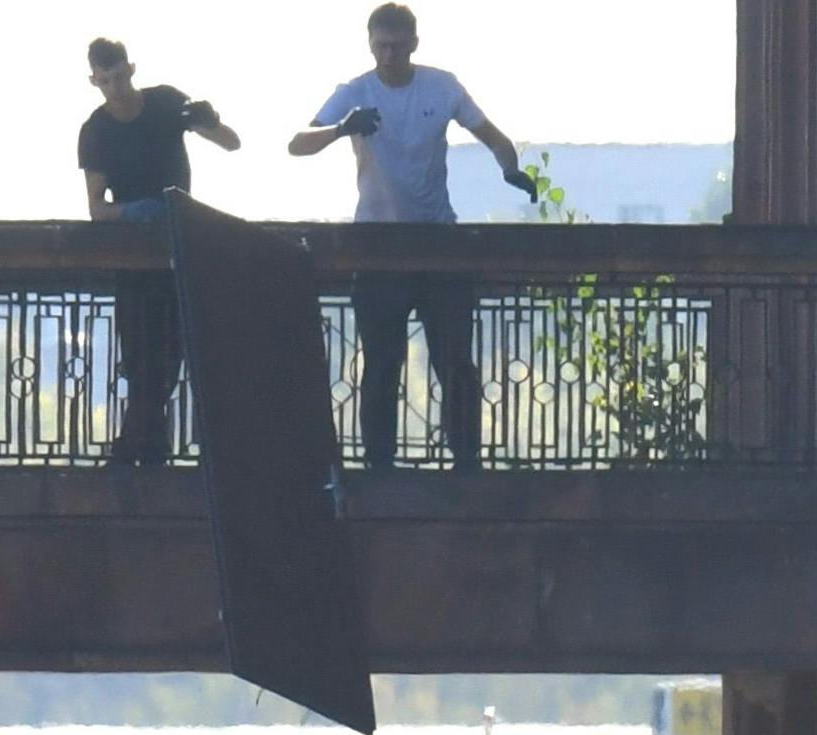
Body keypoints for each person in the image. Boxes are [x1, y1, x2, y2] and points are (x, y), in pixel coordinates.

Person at [289, 3, 537, 470]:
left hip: (436, 240)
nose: (388, 55)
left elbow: (492, 135)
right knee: (382, 365)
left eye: (397, 47)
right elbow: (299, 142)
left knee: (456, 364)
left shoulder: (440, 86)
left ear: (414, 45)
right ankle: (379, 464)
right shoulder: (356, 92)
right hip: (378, 244)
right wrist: (343, 128)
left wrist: (511, 170)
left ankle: (465, 460)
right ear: (369, 44)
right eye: (380, 46)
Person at [79, 37, 241, 466]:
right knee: (140, 358)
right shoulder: (95, 131)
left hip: (179, 248)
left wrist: (210, 119)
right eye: (105, 80)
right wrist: (136, 211)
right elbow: (98, 209)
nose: (114, 87)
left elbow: (230, 142)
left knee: (170, 355)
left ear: (132, 70)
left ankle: (137, 449)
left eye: (119, 77)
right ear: (93, 80)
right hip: (133, 258)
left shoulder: (168, 103)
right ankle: (144, 450)